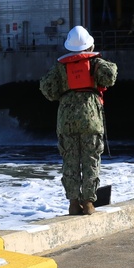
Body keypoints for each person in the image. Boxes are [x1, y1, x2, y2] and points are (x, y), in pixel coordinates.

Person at [39, 26, 118, 216]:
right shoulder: (96, 63)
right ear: (90, 46)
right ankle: (89, 203)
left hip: (66, 118)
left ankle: (73, 203)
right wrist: (99, 61)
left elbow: (46, 88)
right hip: (90, 117)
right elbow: (110, 77)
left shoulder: (60, 67)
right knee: (90, 159)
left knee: (70, 161)